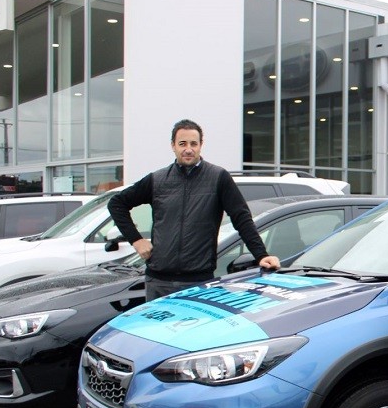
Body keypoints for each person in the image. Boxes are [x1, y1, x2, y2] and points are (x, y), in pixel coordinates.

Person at [108, 119, 281, 301]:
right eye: (182, 144)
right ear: (173, 146)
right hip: (158, 282)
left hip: (198, 283)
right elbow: (116, 203)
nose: (188, 149)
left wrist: (261, 255)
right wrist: (136, 240)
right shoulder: (157, 180)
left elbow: (241, 218)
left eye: (193, 143)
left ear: (201, 145)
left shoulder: (218, 178)